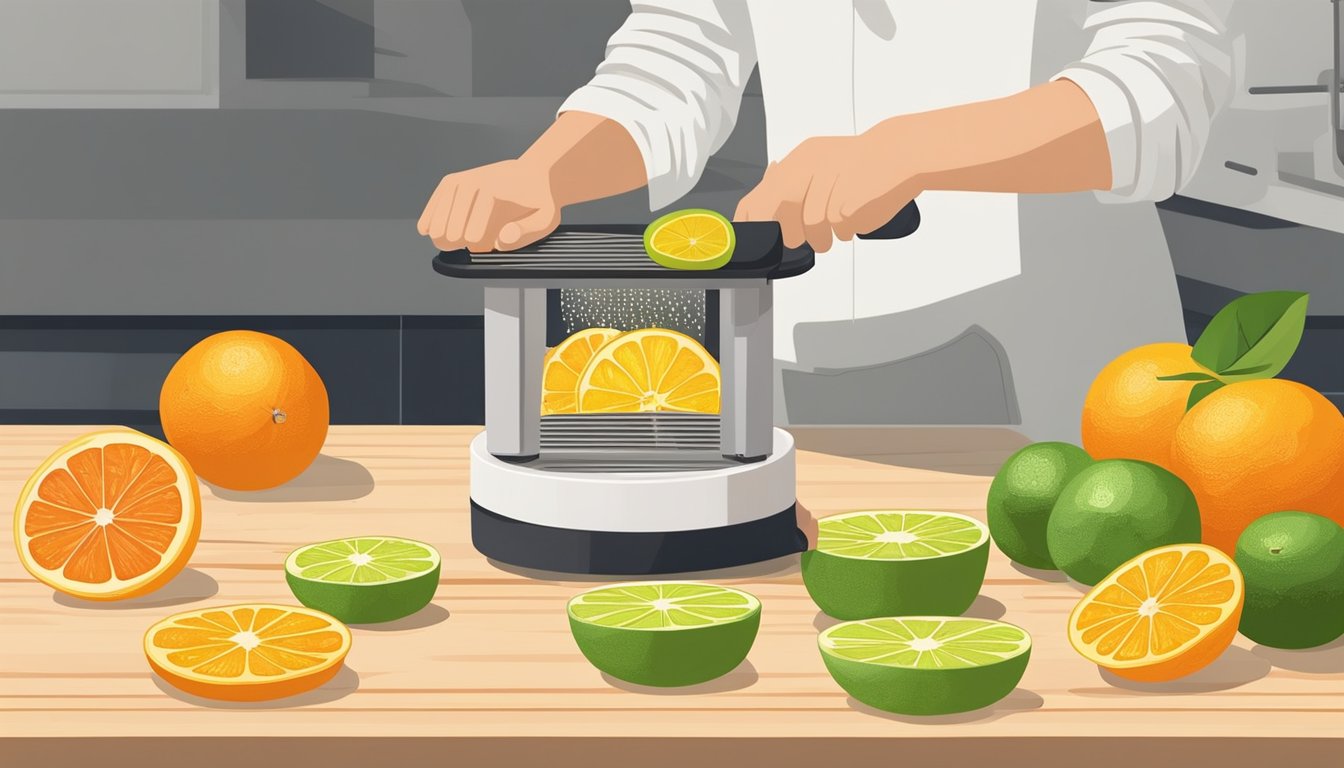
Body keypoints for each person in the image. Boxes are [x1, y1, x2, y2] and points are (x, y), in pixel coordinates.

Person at [418, 1, 1234, 441]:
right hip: (794, 354)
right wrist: (546, 171)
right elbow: (677, 53)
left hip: (1060, 362)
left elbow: (1165, 84)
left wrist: (909, 149)